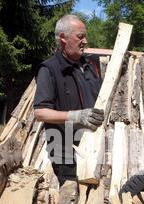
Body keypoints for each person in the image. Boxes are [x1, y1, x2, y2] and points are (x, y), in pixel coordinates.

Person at [33, 15, 104, 185]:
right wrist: (76, 116)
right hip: (65, 149)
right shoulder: (49, 69)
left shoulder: (91, 65)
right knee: (73, 198)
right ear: (63, 38)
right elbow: (40, 112)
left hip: (93, 145)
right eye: (80, 36)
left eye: (85, 36)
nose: (85, 41)